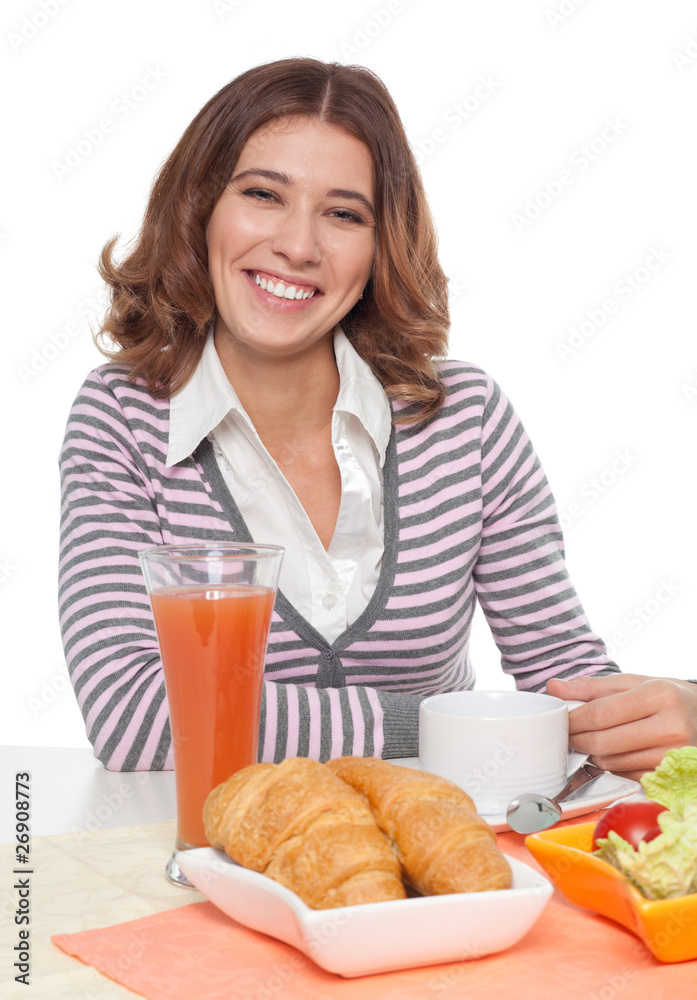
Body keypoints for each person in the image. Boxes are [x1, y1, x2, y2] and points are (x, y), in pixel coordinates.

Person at [58, 57, 696, 780]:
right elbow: (134, 716)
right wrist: (439, 724)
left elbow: (567, 691)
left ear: (379, 244)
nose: (298, 246)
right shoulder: (120, 418)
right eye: (263, 194)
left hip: (428, 856)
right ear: (199, 209)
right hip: (212, 852)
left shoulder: (467, 420)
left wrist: (683, 708)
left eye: (342, 214)